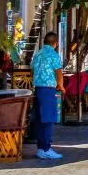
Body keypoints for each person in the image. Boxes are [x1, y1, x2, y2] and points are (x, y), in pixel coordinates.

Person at [32, 31, 65, 160]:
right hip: (49, 89)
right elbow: (59, 73)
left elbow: (32, 69)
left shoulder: (38, 54)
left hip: (38, 88)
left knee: (40, 120)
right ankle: (46, 148)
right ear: (55, 43)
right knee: (49, 119)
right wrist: (61, 85)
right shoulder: (54, 55)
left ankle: (40, 148)